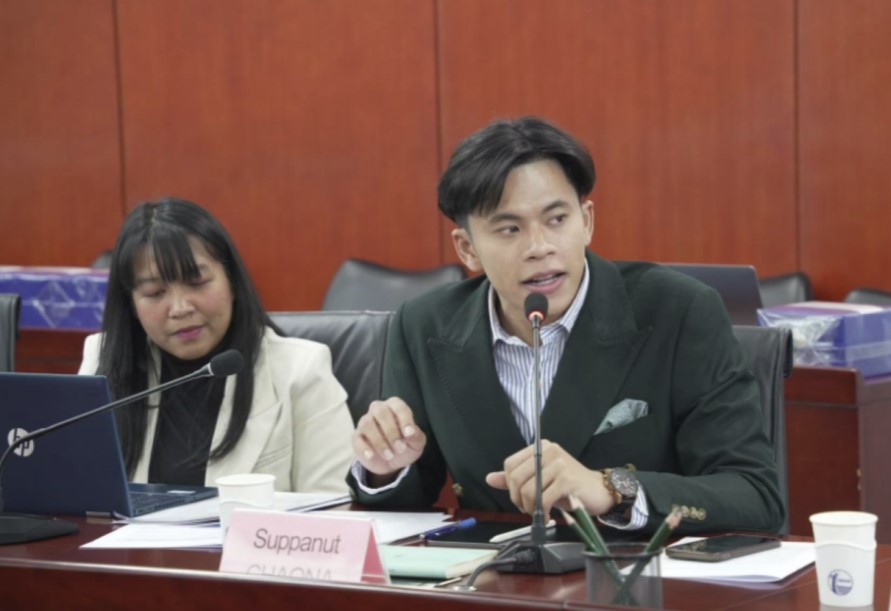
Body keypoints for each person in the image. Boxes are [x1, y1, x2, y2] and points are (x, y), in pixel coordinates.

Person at [349, 116, 785, 534]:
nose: (540, 247)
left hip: (633, 572)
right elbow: (407, 502)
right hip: (493, 575)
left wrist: (612, 490)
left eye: (557, 220)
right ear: (468, 249)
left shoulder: (678, 311)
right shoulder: (425, 326)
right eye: (509, 229)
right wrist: (385, 468)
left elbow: (754, 496)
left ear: (586, 220)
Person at [79, 197, 354, 494]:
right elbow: (77, 492)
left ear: (232, 280)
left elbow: (333, 507)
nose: (180, 308)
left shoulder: (300, 372)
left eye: (197, 282)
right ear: (131, 304)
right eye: (155, 292)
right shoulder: (102, 363)